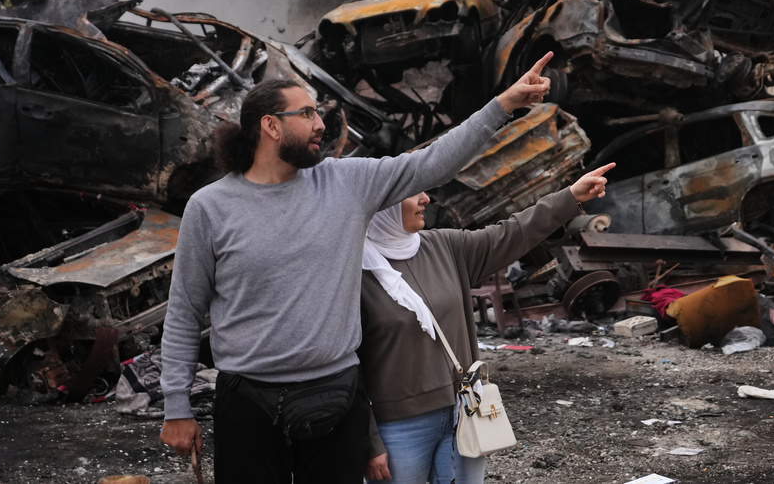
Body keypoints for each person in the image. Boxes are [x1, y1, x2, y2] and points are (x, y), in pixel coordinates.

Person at [158, 53, 554, 484]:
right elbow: (184, 312)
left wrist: (503, 106)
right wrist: (176, 407)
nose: (320, 124)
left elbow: (432, 163)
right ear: (270, 126)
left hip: (335, 394)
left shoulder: (345, 182)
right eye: (306, 113)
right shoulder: (210, 208)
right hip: (248, 400)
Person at [360, 162, 616, 484]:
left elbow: (513, 232)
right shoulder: (353, 274)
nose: (426, 198)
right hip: (398, 428)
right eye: (412, 192)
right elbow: (346, 368)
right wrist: (368, 441)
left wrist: (569, 197)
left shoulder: (444, 247)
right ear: (381, 204)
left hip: (465, 411)